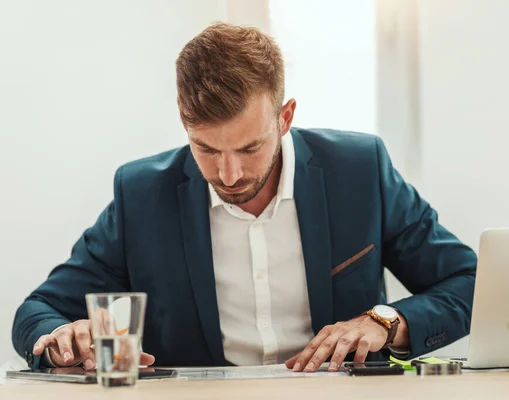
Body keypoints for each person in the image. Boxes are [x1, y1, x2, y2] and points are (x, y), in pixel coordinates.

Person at [12, 22, 477, 373]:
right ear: (184, 122)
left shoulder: (359, 171)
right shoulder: (140, 195)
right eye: (207, 149)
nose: (228, 174)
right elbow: (38, 311)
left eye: (250, 147)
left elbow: (469, 281)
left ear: (285, 117)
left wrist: (384, 321)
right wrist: (60, 337)